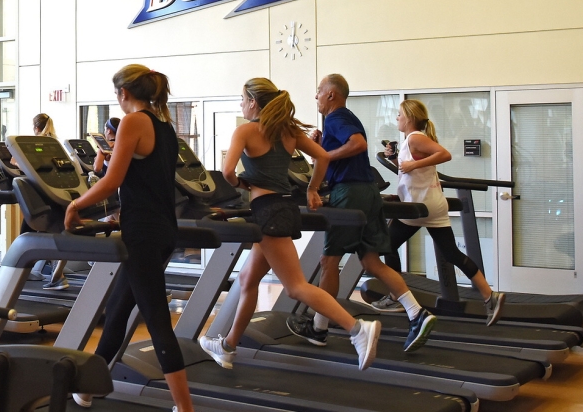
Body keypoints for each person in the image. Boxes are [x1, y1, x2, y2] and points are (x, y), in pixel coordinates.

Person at [200, 78, 380, 371]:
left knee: (295, 287)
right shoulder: (288, 132)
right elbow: (321, 156)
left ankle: (357, 330)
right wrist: (312, 188)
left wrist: (241, 184)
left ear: (254, 103)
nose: (241, 105)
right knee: (247, 279)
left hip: (266, 211)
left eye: (243, 99)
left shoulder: (245, 131)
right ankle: (228, 346)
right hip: (282, 207)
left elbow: (228, 171)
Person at [66, 65, 194, 412]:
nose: (117, 101)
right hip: (163, 227)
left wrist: (75, 205)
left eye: (116, 95)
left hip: (144, 231)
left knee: (156, 320)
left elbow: (112, 180)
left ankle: (185, 407)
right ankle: (86, 388)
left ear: (124, 93)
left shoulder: (134, 122)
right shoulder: (164, 125)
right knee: (119, 308)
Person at [291, 74, 436, 352]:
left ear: (331, 94)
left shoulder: (335, 118)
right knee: (370, 262)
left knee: (328, 261)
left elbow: (358, 145)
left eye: (319, 91)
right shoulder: (344, 117)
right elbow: (348, 149)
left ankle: (319, 328)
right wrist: (322, 149)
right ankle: (417, 313)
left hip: (350, 193)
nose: (316, 96)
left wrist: (325, 156)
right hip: (368, 191)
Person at [376, 100, 505, 325]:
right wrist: (394, 159)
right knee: (451, 253)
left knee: (386, 244)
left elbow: (444, 154)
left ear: (409, 117)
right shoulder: (410, 141)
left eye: (399, 115)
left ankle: (396, 296)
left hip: (418, 206)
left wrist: (412, 166)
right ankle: (489, 296)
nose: (396, 118)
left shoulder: (415, 137)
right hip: (433, 204)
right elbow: (410, 170)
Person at [28, 113, 70, 290]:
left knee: (43, 234)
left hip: (44, 196)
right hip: (59, 194)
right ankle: (58, 275)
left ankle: (58, 276)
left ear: (36, 128)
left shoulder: (35, 143)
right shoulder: (55, 142)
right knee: (56, 233)